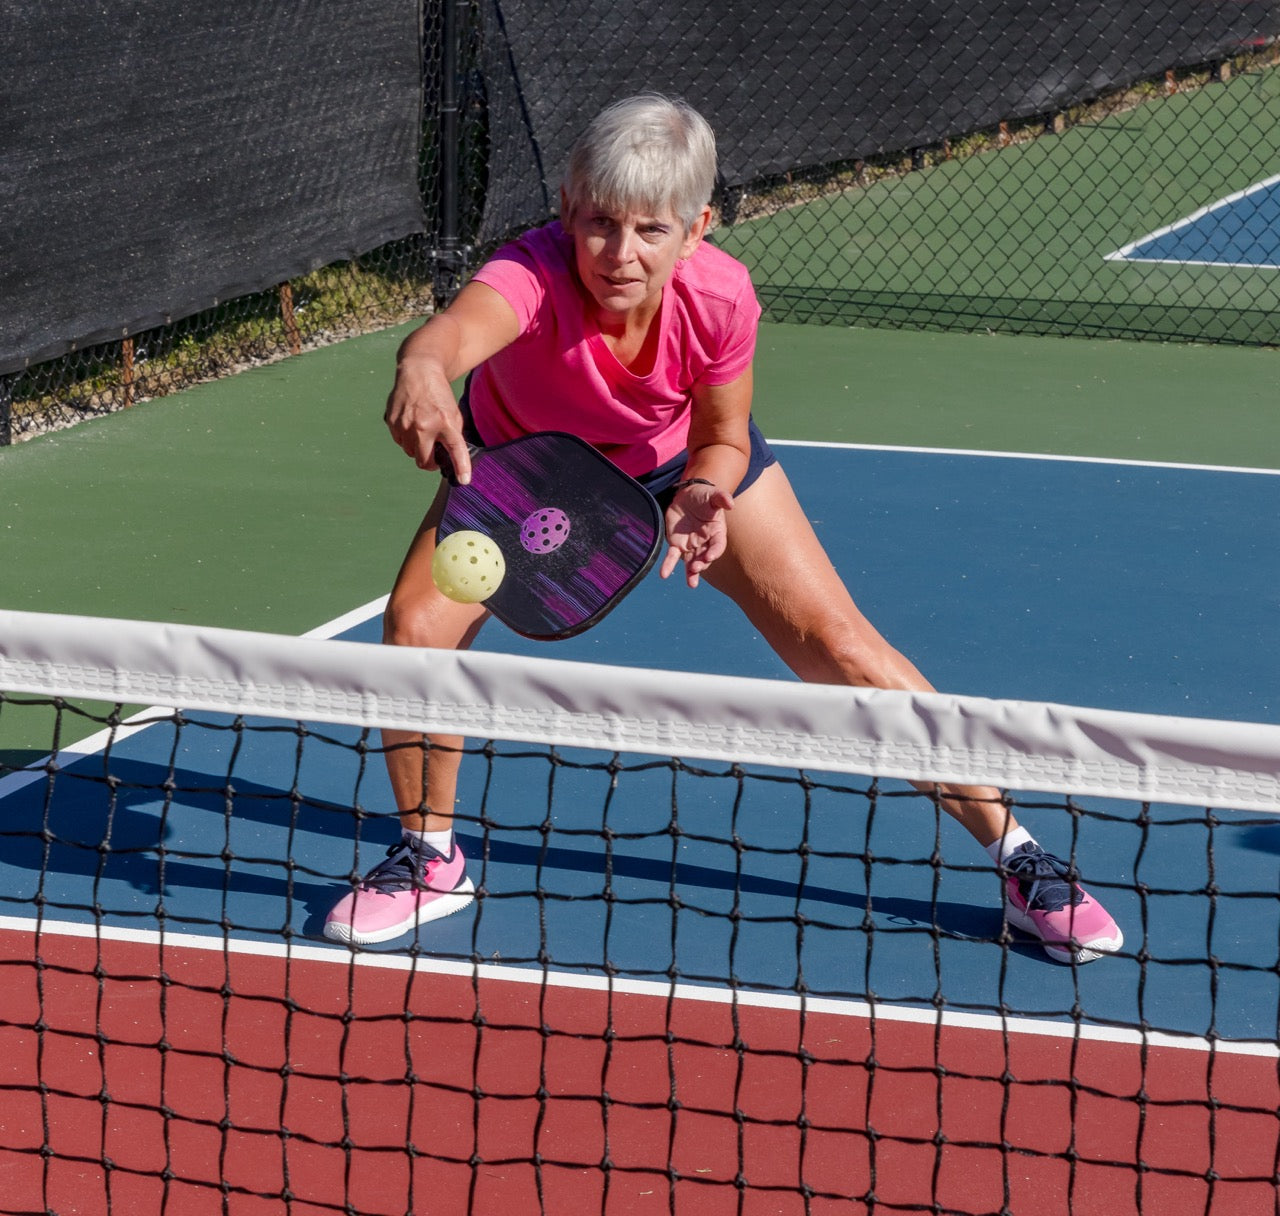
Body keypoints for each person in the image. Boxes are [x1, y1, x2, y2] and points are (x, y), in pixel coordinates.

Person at [323, 94, 1123, 966]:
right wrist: (421, 368)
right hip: (528, 474)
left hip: (675, 465)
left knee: (843, 648)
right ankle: (432, 857)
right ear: (565, 208)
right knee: (413, 632)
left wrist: (705, 491)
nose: (618, 254)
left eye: (649, 230)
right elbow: (448, 337)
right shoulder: (535, 273)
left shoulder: (720, 297)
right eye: (598, 224)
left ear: (696, 227)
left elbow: (723, 434)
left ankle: (1020, 855)